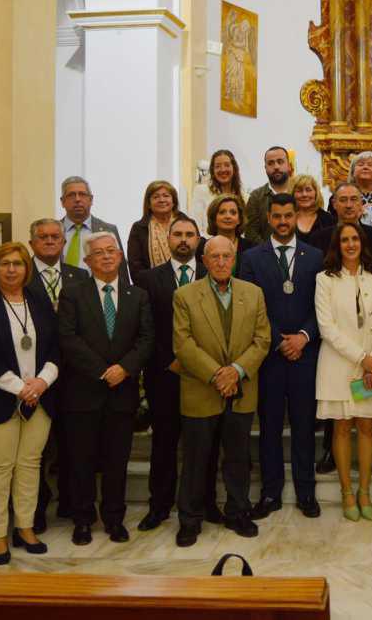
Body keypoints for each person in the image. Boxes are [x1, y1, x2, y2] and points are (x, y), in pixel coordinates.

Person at [172, 236, 271, 544]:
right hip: (201, 388)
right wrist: (217, 374)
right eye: (214, 256)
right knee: (196, 459)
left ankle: (238, 512)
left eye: (226, 256)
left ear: (235, 258)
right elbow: (183, 343)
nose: (220, 261)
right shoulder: (185, 295)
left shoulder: (253, 293)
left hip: (241, 390)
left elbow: (262, 340)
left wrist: (237, 372)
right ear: (204, 260)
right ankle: (190, 519)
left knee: (238, 458)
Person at [0, 243, 58, 564]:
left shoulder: (40, 302)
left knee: (30, 466)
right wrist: (19, 387)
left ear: (26, 269)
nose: (12, 269)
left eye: (18, 263)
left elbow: (57, 348)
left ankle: (25, 527)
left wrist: (42, 381)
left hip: (40, 399)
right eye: (4, 263)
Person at [58, 231, 153, 545]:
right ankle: (83, 520)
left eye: (112, 250)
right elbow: (68, 339)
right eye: (99, 253)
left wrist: (124, 368)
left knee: (117, 462)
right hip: (83, 392)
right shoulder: (72, 293)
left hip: (122, 393)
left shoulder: (137, 295)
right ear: (87, 261)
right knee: (81, 461)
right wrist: (102, 370)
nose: (107, 256)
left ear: (121, 256)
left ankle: (114, 519)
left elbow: (146, 339)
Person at [238, 193, 324, 520]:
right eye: (278, 216)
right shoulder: (252, 258)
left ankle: (306, 492)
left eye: (289, 215)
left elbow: (322, 305)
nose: (284, 222)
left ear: (296, 215)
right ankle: (270, 493)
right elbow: (250, 306)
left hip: (306, 354)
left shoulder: (315, 256)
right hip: (269, 357)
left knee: (304, 427)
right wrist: (278, 340)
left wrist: (302, 337)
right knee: (270, 429)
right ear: (269, 218)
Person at [133, 217, 209, 532]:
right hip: (164, 373)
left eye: (189, 235)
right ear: (167, 238)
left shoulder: (211, 273)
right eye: (177, 234)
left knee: (203, 443)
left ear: (198, 240)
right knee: (164, 443)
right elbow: (146, 329)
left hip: (205, 375)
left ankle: (204, 504)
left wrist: (197, 363)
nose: (183, 240)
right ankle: (159, 505)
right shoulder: (149, 280)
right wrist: (173, 360)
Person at [315, 222, 372, 522]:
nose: (350, 244)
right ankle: (347, 492)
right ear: (337, 245)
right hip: (337, 363)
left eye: (355, 239)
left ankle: (365, 491)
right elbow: (326, 327)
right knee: (342, 427)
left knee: (368, 427)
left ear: (362, 242)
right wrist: (362, 357)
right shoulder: (325, 279)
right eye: (344, 239)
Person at [27, 218, 90, 528]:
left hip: (74, 374)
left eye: (55, 236)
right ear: (32, 244)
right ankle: (35, 509)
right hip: (34, 374)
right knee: (36, 448)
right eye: (43, 237)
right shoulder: (20, 276)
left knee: (72, 444)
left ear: (64, 242)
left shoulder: (79, 276)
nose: (50, 241)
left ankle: (70, 502)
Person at [310, 183, 372, 276]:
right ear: (334, 204)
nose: (348, 205)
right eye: (343, 200)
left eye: (354, 199)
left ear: (361, 203)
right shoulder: (319, 238)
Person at [59, 176, 127, 279]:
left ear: (91, 200)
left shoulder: (108, 230)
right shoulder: (53, 233)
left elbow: (120, 271)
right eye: (71, 195)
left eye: (82, 194)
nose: (77, 199)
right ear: (62, 201)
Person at [126, 180, 191, 279]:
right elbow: (135, 267)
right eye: (156, 197)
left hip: (187, 283)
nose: (161, 200)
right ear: (148, 204)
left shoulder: (188, 223)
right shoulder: (139, 228)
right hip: (152, 289)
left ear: (174, 201)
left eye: (166, 196)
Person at [244, 146, 294, 244]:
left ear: (289, 165)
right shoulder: (256, 197)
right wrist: (270, 253)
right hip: (264, 256)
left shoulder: (298, 193)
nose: (276, 167)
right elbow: (251, 232)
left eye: (280, 162)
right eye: (271, 163)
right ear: (265, 168)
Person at [192, 148, 247, 222]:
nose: (223, 169)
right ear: (212, 170)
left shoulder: (245, 198)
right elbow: (196, 224)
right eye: (218, 166)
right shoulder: (201, 191)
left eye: (227, 165)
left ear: (234, 168)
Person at [205, 194, 255, 274]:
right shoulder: (203, 247)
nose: (228, 216)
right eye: (222, 212)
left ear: (239, 219)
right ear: (214, 218)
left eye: (233, 213)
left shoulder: (251, 248)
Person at [292, 174, 334, 247]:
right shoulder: (287, 218)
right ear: (293, 194)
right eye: (299, 191)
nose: (304, 194)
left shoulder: (328, 219)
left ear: (316, 193)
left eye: (308, 190)